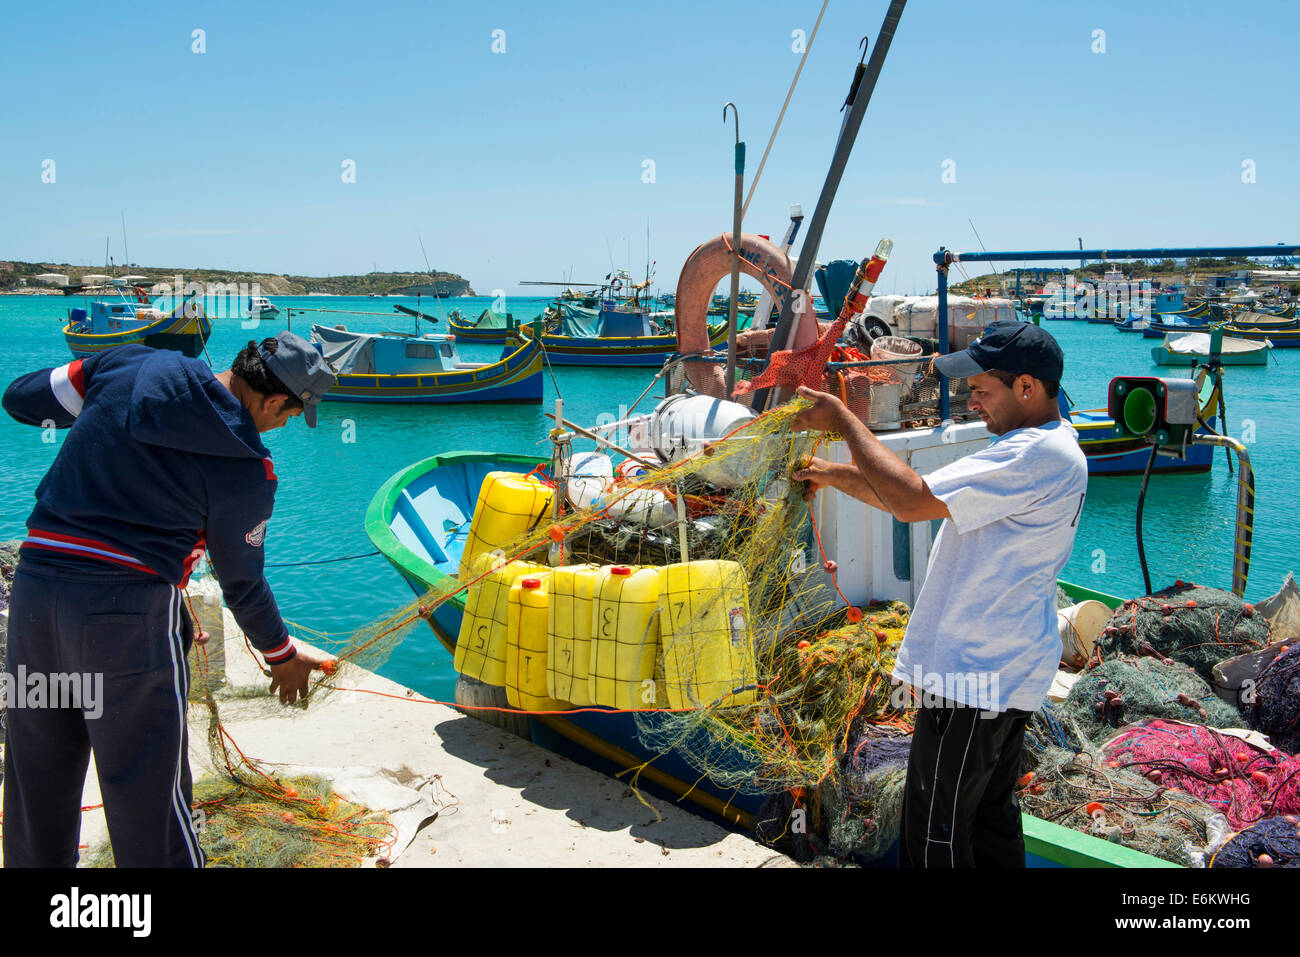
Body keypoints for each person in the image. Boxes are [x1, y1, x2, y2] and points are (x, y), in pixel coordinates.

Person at [1, 332, 336, 867]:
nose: (286, 426)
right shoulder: (246, 469)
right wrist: (281, 655)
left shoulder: (128, 365)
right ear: (273, 400)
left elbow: (21, 399)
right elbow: (243, 584)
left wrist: (96, 398)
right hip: (125, 620)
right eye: (294, 415)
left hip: (37, 597)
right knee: (146, 791)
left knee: (36, 778)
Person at [791, 320, 1087, 867]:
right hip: (1000, 672)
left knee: (935, 834)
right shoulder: (1046, 449)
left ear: (1027, 387)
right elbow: (918, 498)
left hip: (973, 676)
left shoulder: (1031, 454)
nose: (972, 404)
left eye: (980, 390)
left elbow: (910, 501)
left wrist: (844, 420)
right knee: (989, 824)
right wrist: (831, 473)